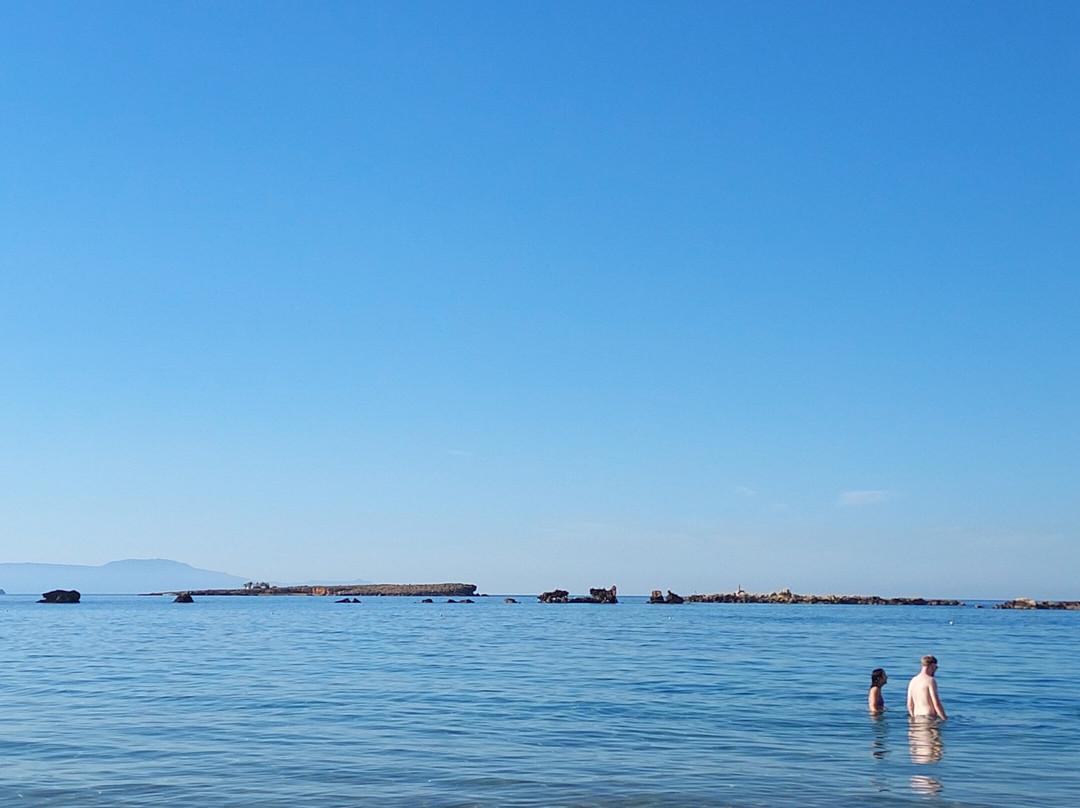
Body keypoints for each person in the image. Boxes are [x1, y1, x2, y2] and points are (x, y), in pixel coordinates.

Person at [906, 654, 946, 720]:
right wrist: (944, 718)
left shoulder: (913, 680)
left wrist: (913, 717)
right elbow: (936, 703)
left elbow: (909, 705)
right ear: (932, 665)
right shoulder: (930, 680)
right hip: (929, 717)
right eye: (936, 667)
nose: (935, 669)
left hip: (916, 717)